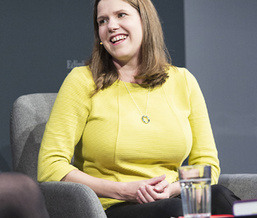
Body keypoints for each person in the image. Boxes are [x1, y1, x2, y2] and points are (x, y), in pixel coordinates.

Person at [37, 0, 239, 217]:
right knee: (174, 210)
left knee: (220, 197)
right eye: (102, 21)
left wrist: (172, 188)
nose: (111, 26)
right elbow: (51, 166)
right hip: (114, 205)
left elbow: (206, 163)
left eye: (121, 15)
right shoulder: (83, 81)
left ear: (145, 21)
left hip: (173, 196)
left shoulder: (183, 81)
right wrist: (124, 191)